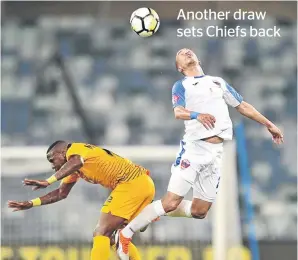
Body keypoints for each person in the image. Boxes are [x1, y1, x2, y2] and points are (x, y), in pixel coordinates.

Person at [116, 48, 284, 259]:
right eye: (180, 53)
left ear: (198, 58)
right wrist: (197, 115)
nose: (186, 51)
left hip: (216, 154)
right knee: (170, 202)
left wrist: (269, 124)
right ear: (179, 67)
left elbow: (242, 106)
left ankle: (152, 211)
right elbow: (178, 112)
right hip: (194, 150)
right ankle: (126, 233)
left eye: (188, 50)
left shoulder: (218, 82)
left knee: (199, 212)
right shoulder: (181, 85)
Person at [7, 141, 155, 260]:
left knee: (101, 232)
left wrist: (48, 181)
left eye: (52, 160)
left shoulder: (75, 150)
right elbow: (61, 193)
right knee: (114, 236)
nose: (53, 166)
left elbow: (77, 161)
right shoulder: (76, 168)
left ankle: (159, 210)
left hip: (131, 184)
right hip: (143, 184)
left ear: (61, 152)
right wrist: (32, 203)